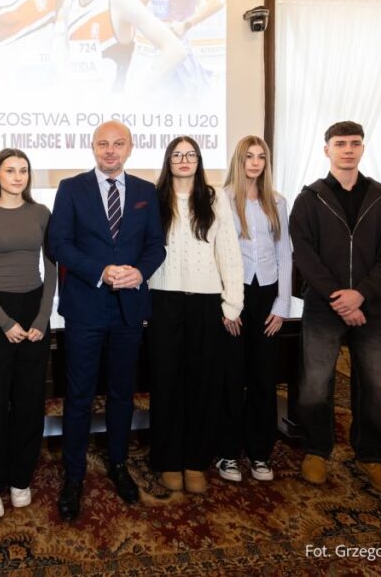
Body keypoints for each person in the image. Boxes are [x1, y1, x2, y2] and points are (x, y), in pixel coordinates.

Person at [47, 120, 166, 521]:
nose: (110, 151)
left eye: (118, 144)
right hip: (85, 307)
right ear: (92, 147)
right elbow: (58, 243)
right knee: (79, 397)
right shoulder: (71, 188)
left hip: (129, 309)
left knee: (122, 394)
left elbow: (155, 245)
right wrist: (103, 270)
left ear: (130, 148)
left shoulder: (147, 192)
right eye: (103, 144)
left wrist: (140, 272)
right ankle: (74, 476)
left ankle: (118, 464)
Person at [288, 121, 381, 495]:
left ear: (362, 148)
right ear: (327, 149)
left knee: (373, 386)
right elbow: (304, 255)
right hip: (324, 307)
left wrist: (362, 295)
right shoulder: (310, 198)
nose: (348, 150)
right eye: (340, 143)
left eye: (355, 143)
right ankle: (316, 450)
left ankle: (371, 457)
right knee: (315, 384)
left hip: (372, 308)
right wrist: (339, 296)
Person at [148, 137, 243, 495]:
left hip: (206, 302)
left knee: (203, 383)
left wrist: (232, 303)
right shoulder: (155, 199)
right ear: (168, 160)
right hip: (164, 300)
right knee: (166, 381)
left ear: (199, 160)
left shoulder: (215, 198)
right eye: (177, 155)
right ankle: (168, 460)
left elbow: (229, 253)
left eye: (191, 155)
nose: (184, 160)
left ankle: (195, 461)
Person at [0, 148, 57, 519]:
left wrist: (40, 319)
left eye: (23, 170)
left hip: (34, 308)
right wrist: (5, 323)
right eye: (10, 170)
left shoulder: (41, 213)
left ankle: (21, 477)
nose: (18, 176)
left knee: (30, 400)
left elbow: (51, 269)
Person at [216, 136, 292, 483]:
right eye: (249, 156)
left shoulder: (277, 201)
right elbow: (214, 253)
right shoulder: (221, 198)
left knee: (263, 379)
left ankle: (260, 454)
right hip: (234, 296)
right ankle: (228, 454)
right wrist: (224, 305)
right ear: (239, 159)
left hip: (267, 297)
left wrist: (282, 305)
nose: (256, 162)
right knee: (231, 379)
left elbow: (285, 256)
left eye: (261, 156)